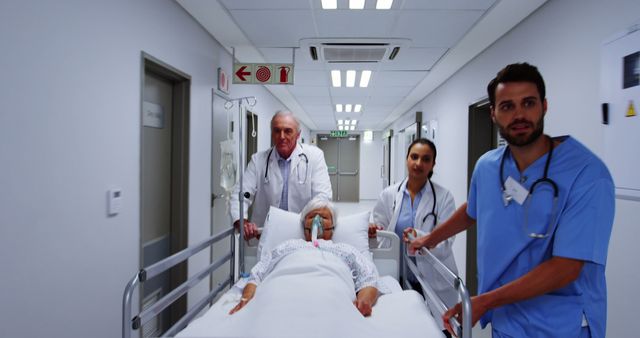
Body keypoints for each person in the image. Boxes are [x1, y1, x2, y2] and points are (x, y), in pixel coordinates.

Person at [408, 63, 615, 338]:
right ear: (493, 113)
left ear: (544, 106)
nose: (519, 114)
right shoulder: (487, 166)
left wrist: (485, 301)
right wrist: (429, 239)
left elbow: (566, 268)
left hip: (562, 325)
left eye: (528, 103)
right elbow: (472, 211)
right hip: (507, 320)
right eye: (507, 106)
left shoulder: (588, 175)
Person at [230, 197, 384, 317]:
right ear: (304, 225)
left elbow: (368, 278)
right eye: (312, 217)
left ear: (333, 227)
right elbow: (258, 274)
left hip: (331, 297)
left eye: (323, 217)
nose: (317, 220)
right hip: (281, 296)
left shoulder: (345, 251)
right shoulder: (287, 247)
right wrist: (247, 299)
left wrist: (364, 301)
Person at [369, 138, 458, 337]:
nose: (418, 163)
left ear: (433, 164)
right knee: (401, 327)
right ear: (407, 159)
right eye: (414, 157)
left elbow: (446, 242)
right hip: (396, 274)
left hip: (431, 277)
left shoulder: (444, 198)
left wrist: (422, 237)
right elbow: (379, 234)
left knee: (438, 329)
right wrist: (374, 231)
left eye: (426, 159)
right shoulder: (389, 195)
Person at [230, 110, 332, 240]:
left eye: (288, 131)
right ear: (272, 133)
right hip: (267, 234)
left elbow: (323, 196)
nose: (282, 136)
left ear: (298, 134)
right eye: (277, 131)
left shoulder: (314, 156)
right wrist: (242, 222)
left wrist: (311, 222)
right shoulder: (258, 160)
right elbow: (240, 194)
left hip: (302, 233)